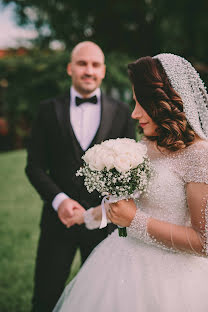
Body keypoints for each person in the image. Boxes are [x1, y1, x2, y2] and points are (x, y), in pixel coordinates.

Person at [53, 53, 208, 312]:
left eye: (141, 103)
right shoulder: (145, 145)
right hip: (120, 264)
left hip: (173, 280)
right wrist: (87, 217)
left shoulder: (198, 155)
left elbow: (204, 242)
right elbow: (126, 204)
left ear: (162, 102)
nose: (134, 113)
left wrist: (134, 221)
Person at [25, 41, 135, 312]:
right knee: (45, 298)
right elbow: (34, 166)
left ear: (104, 71)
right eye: (82, 63)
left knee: (102, 302)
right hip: (57, 223)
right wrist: (59, 200)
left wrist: (105, 209)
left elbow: (130, 172)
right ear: (69, 68)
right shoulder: (48, 110)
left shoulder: (122, 112)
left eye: (95, 64)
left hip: (104, 225)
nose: (89, 70)